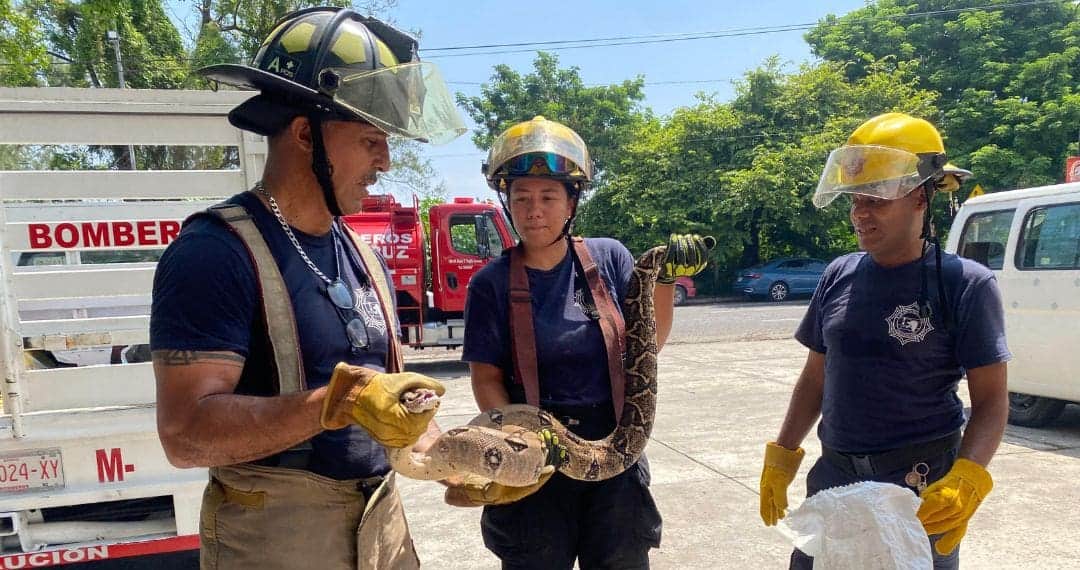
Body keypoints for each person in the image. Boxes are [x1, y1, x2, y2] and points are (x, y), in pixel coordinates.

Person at [150, 7, 463, 569]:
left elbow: (397, 408)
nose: (386, 161)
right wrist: (332, 405)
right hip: (276, 541)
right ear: (304, 135)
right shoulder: (214, 253)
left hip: (380, 528)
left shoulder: (364, 257)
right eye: (371, 140)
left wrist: (455, 458)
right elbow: (185, 434)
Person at [457, 115, 712, 569]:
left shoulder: (609, 257)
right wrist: (516, 439)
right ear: (507, 202)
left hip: (615, 449)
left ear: (572, 201)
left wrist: (667, 279)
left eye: (548, 196)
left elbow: (648, 347)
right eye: (521, 198)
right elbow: (486, 379)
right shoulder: (489, 284)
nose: (534, 210)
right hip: (533, 453)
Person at [758, 112, 1010, 569]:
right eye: (855, 199)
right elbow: (816, 377)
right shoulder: (839, 273)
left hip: (919, 486)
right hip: (834, 477)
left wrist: (969, 477)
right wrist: (783, 453)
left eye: (875, 199)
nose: (860, 213)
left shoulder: (965, 284)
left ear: (920, 197)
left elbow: (992, 402)